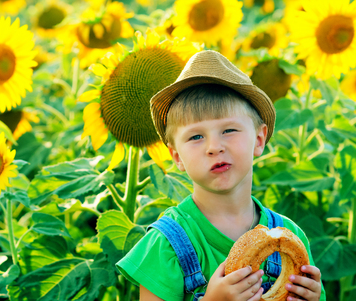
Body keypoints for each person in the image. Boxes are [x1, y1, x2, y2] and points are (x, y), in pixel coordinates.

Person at [116, 50, 326, 301]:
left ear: (259, 140)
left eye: (228, 130)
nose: (214, 146)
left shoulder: (291, 239)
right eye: (196, 137)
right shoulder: (166, 244)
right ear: (177, 157)